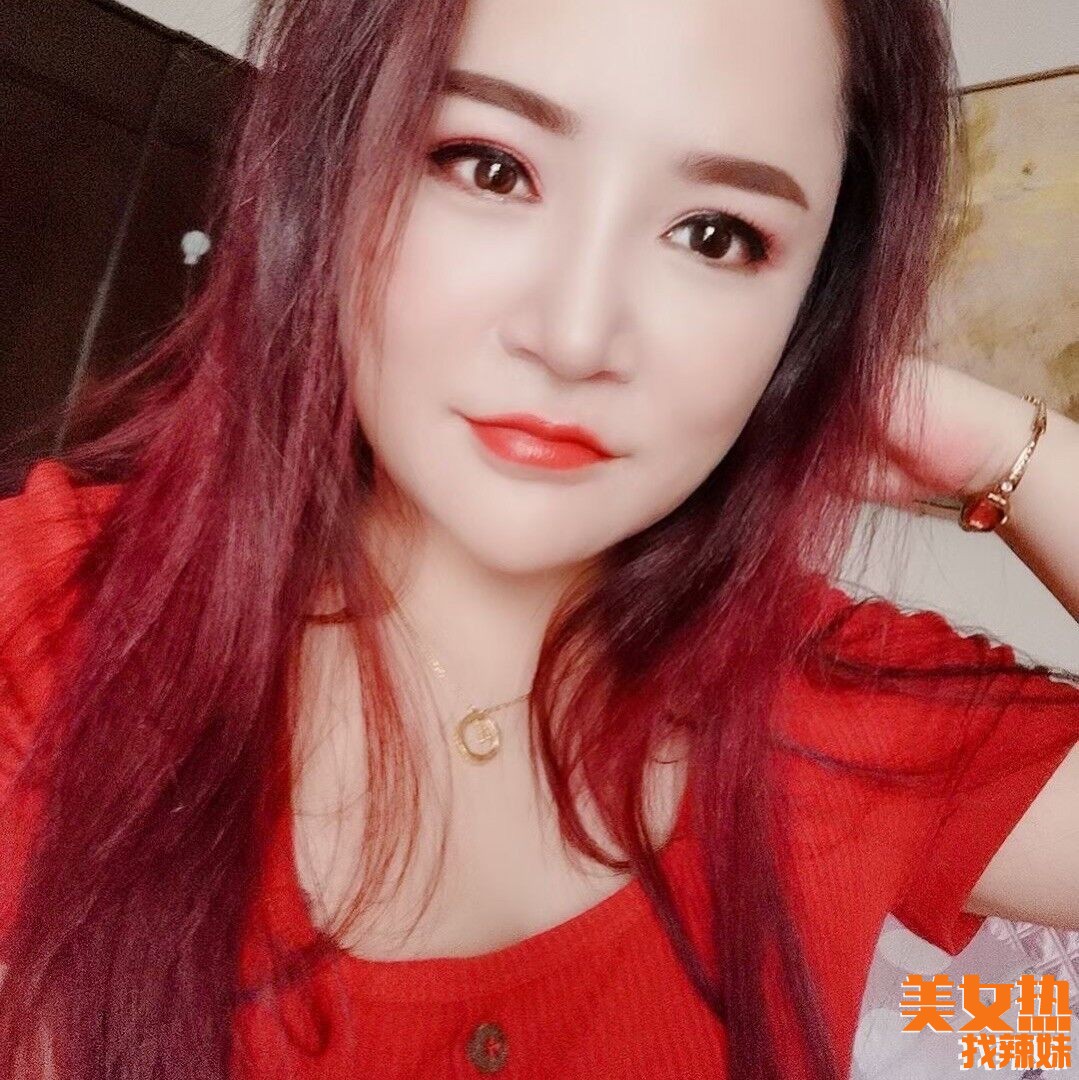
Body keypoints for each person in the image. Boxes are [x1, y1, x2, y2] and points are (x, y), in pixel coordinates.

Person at [0, 0, 1076, 1076]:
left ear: (809, 305)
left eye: (715, 235)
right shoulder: (55, 615)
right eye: (489, 168)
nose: (572, 337)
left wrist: (998, 447)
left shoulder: (840, 705)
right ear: (331, 173)